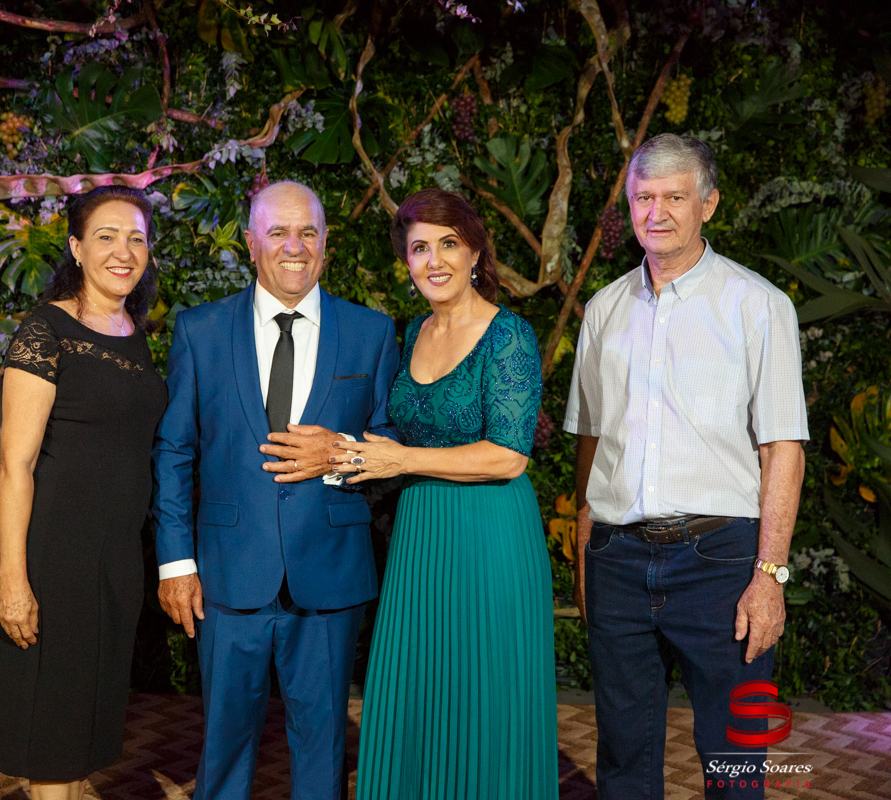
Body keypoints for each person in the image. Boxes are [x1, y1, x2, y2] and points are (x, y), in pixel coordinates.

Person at [564, 133, 808, 800]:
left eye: (675, 197)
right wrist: (585, 541)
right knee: (623, 758)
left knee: (734, 764)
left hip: (721, 563)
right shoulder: (604, 310)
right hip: (617, 560)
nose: (657, 212)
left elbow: (782, 449)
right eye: (644, 197)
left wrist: (770, 575)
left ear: (709, 204)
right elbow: (591, 441)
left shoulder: (758, 306)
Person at [152, 180, 399, 799]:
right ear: (251, 243)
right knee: (224, 744)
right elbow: (175, 451)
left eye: (308, 232)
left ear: (325, 243)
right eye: (279, 232)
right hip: (227, 572)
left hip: (330, 573)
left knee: (322, 746)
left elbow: (392, 441)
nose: (295, 246)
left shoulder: (370, 332)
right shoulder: (201, 330)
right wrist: (176, 563)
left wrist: (338, 454)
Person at [335, 188, 557, 799]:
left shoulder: (509, 335)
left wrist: (400, 459)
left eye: (448, 244)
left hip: (490, 537)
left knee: (484, 701)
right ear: (406, 261)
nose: (434, 261)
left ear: (476, 252)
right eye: (419, 248)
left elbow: (509, 455)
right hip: (420, 537)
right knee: (416, 697)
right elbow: (391, 432)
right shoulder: (414, 334)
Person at [0, 186, 167, 799]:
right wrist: (14, 580)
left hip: (116, 560)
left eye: (136, 238)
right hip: (58, 559)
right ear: (76, 247)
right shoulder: (48, 329)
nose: (124, 251)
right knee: (56, 732)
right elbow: (15, 466)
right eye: (106, 237)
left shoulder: (131, 331)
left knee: (87, 727)